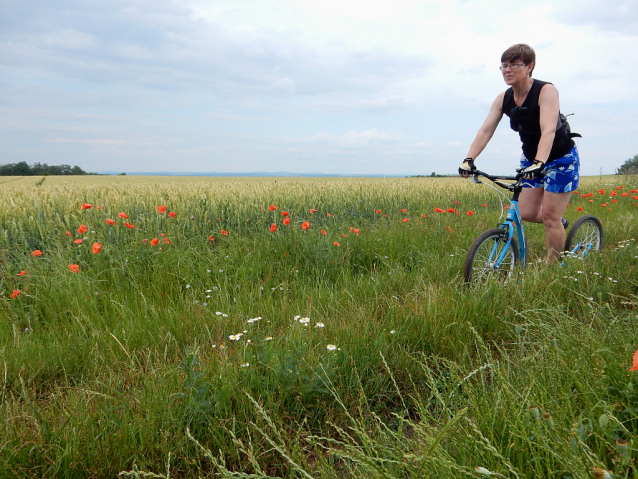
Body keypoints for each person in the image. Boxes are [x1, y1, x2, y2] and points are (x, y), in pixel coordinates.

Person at [459, 43, 580, 263]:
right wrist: (469, 159)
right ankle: (559, 224)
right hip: (532, 159)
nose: (507, 70)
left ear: (529, 66)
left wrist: (540, 162)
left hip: (561, 159)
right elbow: (486, 130)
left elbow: (549, 129)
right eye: (503, 66)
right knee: (525, 212)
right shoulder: (503, 98)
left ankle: (552, 266)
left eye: (514, 64)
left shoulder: (546, 91)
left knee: (551, 215)